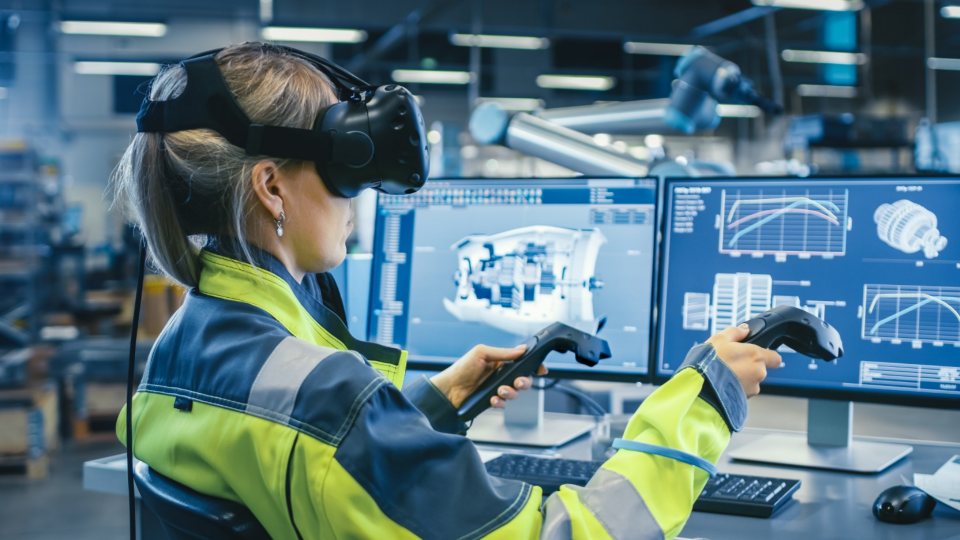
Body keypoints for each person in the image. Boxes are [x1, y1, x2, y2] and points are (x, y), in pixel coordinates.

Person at [114, 42, 782, 540]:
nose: (360, 197)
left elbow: (307, 463)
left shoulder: (182, 348)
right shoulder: (326, 402)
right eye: (345, 170)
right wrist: (703, 401)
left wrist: (428, 407)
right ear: (271, 187)